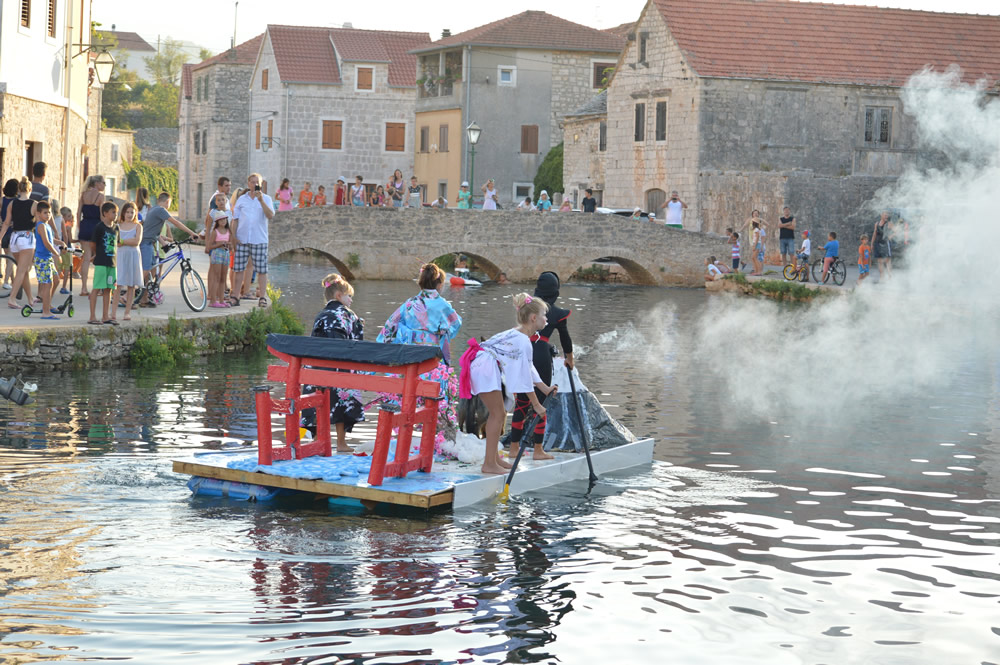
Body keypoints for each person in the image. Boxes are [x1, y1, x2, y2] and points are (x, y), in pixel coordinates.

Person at [458, 294, 557, 475]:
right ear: (533, 318)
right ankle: (489, 463)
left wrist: (544, 387)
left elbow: (528, 367)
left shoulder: (518, 334)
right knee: (498, 413)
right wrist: (536, 404)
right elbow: (524, 377)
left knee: (499, 413)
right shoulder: (522, 341)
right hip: (485, 367)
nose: (546, 319)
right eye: (544, 315)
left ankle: (494, 458)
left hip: (481, 365)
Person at [510, 272, 574, 462]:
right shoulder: (556, 313)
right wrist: (569, 358)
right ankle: (538, 450)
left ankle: (514, 448)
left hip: (522, 351)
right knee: (542, 402)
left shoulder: (528, 306)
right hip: (541, 355)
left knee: (521, 402)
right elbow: (565, 338)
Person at [302, 273, 365, 453]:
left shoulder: (320, 315)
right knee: (343, 392)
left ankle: (317, 440)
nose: (351, 300)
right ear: (339, 296)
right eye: (349, 296)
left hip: (316, 373)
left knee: (320, 392)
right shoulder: (349, 315)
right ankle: (341, 443)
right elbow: (356, 344)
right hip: (340, 371)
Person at [377, 263, 462, 364]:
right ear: (439, 285)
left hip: (410, 354)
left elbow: (391, 324)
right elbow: (456, 324)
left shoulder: (410, 303)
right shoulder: (443, 305)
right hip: (431, 355)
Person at [139, 192, 199, 307]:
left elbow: (154, 232)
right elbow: (176, 223)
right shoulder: (161, 210)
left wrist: (164, 244)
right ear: (167, 202)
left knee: (151, 271)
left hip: (149, 243)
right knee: (146, 270)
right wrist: (192, 233)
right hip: (146, 243)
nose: (169, 206)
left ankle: (144, 298)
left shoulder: (153, 210)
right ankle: (128, 295)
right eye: (170, 203)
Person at [231, 173, 274, 308]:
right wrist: (233, 237)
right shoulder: (242, 200)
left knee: (261, 270)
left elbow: (270, 215)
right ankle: (235, 296)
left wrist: (260, 200)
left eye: (257, 182)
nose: (254, 184)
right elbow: (235, 219)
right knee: (238, 269)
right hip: (242, 239)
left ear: (261, 184)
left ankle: (262, 297)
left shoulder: (266, 199)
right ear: (248, 183)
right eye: (252, 182)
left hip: (259, 239)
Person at [1, 177, 38, 308]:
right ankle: (12, 298)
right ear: (30, 189)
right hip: (27, 238)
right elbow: (39, 224)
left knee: (23, 270)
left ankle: (30, 298)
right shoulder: (34, 204)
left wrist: (0, 238)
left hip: (14, 238)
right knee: (22, 270)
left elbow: (6, 223)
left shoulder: (12, 204)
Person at [32, 201, 64, 319]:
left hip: (48, 258)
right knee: (47, 284)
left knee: (56, 280)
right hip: (42, 259)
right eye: (45, 213)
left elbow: (51, 239)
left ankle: (47, 304)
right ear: (39, 213)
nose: (48, 215)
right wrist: (57, 254)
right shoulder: (40, 225)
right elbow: (46, 242)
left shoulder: (47, 225)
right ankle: (45, 312)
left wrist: (60, 242)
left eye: (49, 212)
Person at [89, 201, 119, 326]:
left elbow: (117, 242)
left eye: (116, 213)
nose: (115, 215)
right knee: (97, 288)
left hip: (112, 263)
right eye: (113, 212)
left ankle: (105, 316)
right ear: (105, 213)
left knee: (109, 289)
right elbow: (93, 244)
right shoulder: (99, 227)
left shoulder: (116, 228)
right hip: (101, 262)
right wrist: (96, 254)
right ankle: (92, 316)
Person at [77, 175, 106, 297]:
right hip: (96, 227)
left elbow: (78, 213)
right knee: (99, 258)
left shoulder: (83, 195)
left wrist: (80, 227)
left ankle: (83, 288)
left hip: (85, 225)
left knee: (86, 258)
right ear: (97, 183)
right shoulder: (100, 197)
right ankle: (98, 288)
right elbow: (102, 215)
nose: (104, 185)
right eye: (103, 183)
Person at [114, 201, 143, 321]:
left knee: (131, 285)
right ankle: (113, 313)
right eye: (128, 212)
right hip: (121, 256)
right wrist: (125, 241)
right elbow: (116, 242)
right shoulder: (118, 226)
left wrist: (123, 241)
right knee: (118, 284)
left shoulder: (138, 226)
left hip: (133, 256)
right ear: (123, 213)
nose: (130, 214)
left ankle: (127, 312)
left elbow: (136, 241)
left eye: (132, 212)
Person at [1, 179, 19, 289]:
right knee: (10, 258)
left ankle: (12, 281)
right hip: (12, 231)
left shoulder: (2, 201)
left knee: (9, 259)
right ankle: (6, 281)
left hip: (3, 231)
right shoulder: (16, 201)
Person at [58, 207, 75, 293]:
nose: (70, 218)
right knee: (68, 267)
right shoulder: (68, 227)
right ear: (63, 217)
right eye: (68, 216)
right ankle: (64, 287)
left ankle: (54, 284)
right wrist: (79, 241)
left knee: (58, 268)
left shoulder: (57, 225)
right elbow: (70, 239)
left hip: (58, 248)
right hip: (66, 248)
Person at [872, 211, 893, 281]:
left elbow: (896, 231)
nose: (886, 216)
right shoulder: (877, 224)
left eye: (887, 215)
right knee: (880, 261)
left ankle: (890, 276)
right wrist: (872, 243)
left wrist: (891, 236)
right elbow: (874, 234)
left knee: (887, 260)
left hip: (885, 243)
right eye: (885, 215)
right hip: (878, 243)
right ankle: (882, 277)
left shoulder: (889, 223)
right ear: (881, 215)